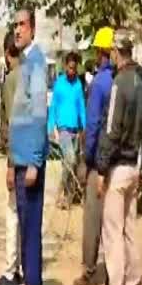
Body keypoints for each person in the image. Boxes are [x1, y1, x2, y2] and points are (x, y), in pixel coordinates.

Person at [92, 31, 142, 285]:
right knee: (130, 229)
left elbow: (111, 129)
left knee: (112, 232)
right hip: (135, 164)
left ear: (116, 52)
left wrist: (101, 167)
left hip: (118, 165)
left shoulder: (119, 83)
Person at [8, 9, 48, 285]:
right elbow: (19, 119)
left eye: (22, 25)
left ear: (32, 29)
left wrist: (34, 160)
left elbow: (38, 115)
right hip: (20, 162)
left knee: (31, 236)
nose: (17, 30)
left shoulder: (36, 63)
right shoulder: (24, 65)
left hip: (30, 164)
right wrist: (13, 160)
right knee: (26, 237)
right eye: (15, 25)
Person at [74, 27, 115, 285]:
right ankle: (115, 272)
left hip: (99, 159)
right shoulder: (123, 80)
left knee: (93, 218)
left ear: (101, 52)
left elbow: (92, 127)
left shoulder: (99, 83)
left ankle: (89, 271)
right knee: (115, 221)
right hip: (120, 160)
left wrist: (86, 161)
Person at [0, 33, 24, 285]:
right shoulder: (33, 74)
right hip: (34, 157)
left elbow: (14, 124)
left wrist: (11, 164)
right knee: (26, 217)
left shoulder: (13, 80)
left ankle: (11, 272)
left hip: (20, 157)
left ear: (6, 52)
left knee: (13, 216)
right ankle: (22, 269)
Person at [48, 51, 86, 208]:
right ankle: (59, 192)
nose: (72, 71)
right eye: (70, 68)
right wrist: (51, 127)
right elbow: (53, 107)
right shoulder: (59, 84)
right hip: (62, 129)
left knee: (70, 164)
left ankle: (68, 198)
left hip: (75, 130)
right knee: (70, 159)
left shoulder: (78, 85)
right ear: (65, 67)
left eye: (74, 68)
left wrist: (84, 126)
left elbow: (81, 107)